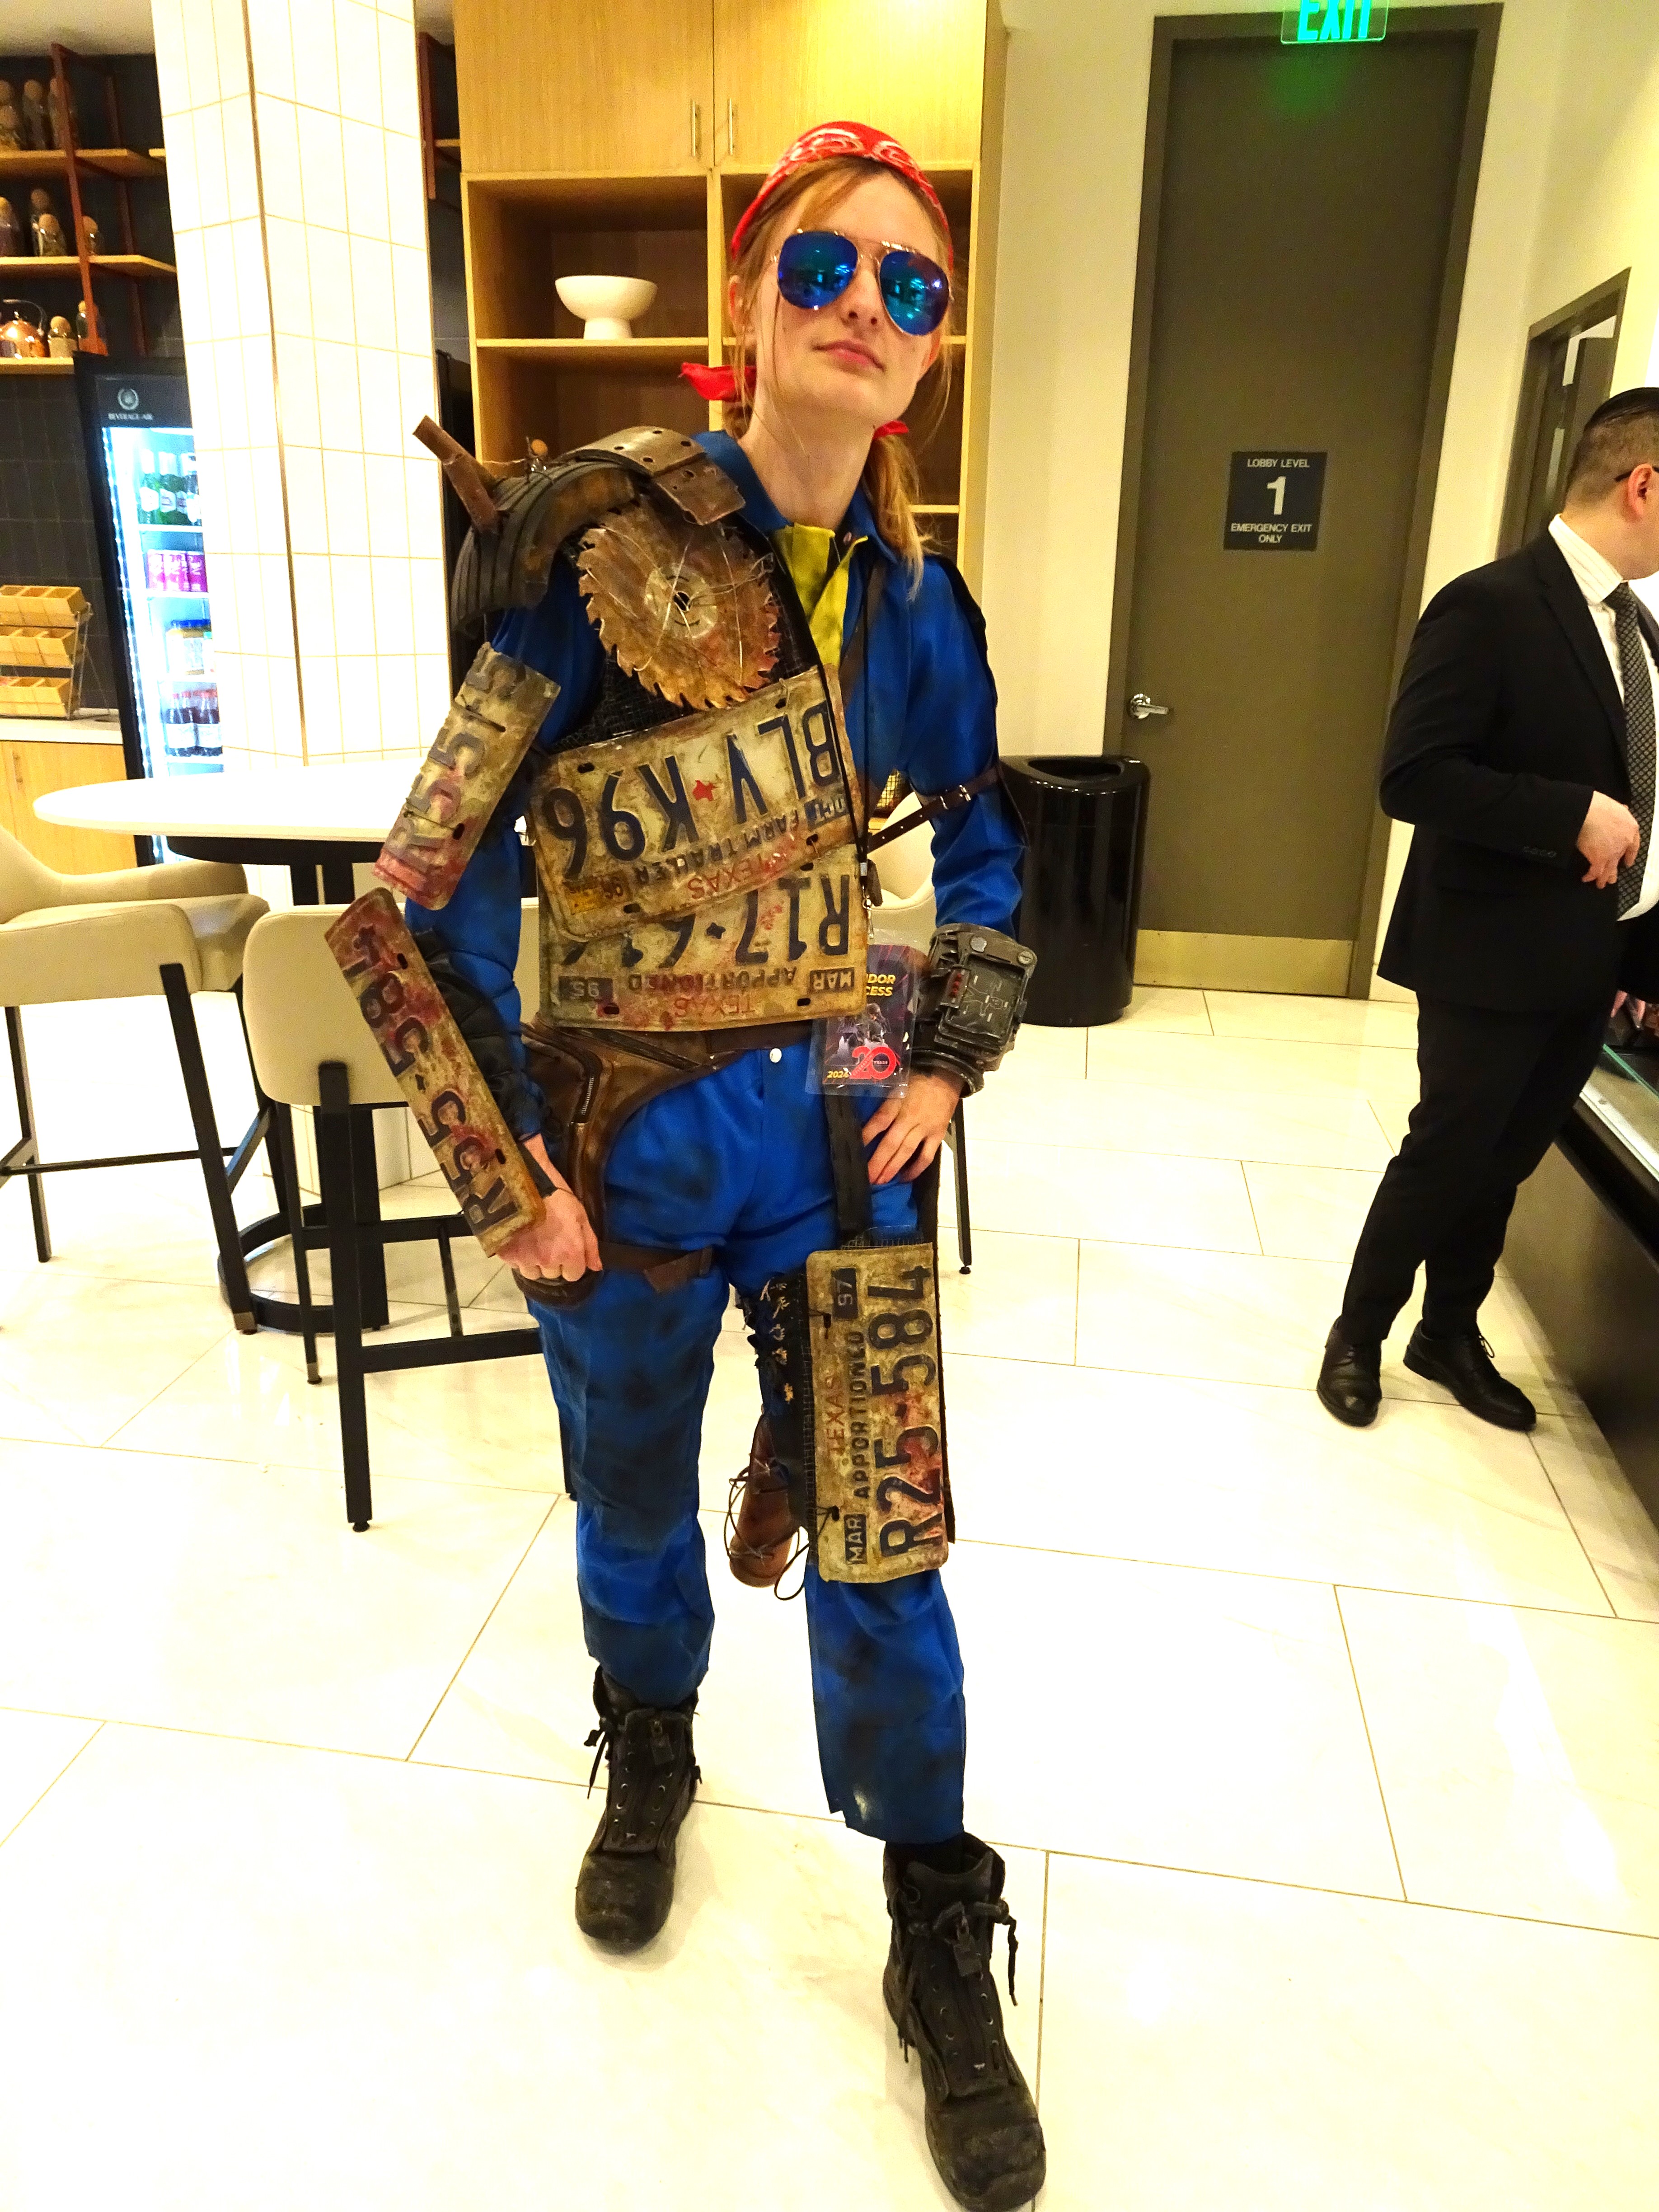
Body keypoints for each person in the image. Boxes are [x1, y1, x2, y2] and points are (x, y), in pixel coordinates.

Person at [407, 122, 1045, 2212]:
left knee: (888, 1540)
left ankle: (937, 1910)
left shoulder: (921, 604)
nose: (869, 307)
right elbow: (420, 892)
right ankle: (653, 1744)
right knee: (627, 1500)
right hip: (624, 1157)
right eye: (830, 268)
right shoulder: (594, 546)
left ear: (933, 349)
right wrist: (507, 1169)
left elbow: (986, 852)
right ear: (754, 296)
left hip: (844, 1139)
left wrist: (947, 1058)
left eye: (912, 285)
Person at [1320, 387, 1659, 1430]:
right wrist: (1570, 815)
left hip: (1589, 955)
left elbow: (1644, 798)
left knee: (1510, 1159)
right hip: (1488, 947)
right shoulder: (1491, 604)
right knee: (1449, 1151)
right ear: (1646, 486)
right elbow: (1414, 776)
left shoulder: (1639, 628)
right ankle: (1359, 1334)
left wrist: (1642, 962)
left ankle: (1449, 1331)